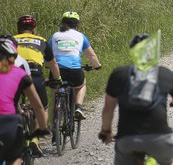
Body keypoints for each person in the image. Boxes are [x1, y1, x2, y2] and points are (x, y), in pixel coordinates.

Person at [99, 34, 173, 165]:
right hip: (160, 139)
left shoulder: (119, 74)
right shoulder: (165, 74)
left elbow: (108, 110)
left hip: (127, 139)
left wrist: (106, 131)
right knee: (172, 161)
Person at [14, 15, 61, 157]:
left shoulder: (12, 40)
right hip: (35, 74)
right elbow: (52, 64)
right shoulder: (42, 41)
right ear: (34, 29)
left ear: (19, 28)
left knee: (12, 105)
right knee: (42, 107)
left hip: (14, 74)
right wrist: (57, 78)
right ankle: (35, 138)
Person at [0, 37, 50, 165]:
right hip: (7, 121)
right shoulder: (19, 73)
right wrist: (42, 128)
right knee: (14, 158)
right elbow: (38, 106)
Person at [49, 11, 102, 120]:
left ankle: (55, 113)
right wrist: (97, 66)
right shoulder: (80, 36)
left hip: (57, 70)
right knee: (81, 85)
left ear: (62, 22)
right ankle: (78, 107)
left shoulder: (55, 36)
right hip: (75, 71)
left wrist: (45, 64)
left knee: (55, 87)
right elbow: (91, 56)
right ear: (77, 24)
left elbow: (47, 53)